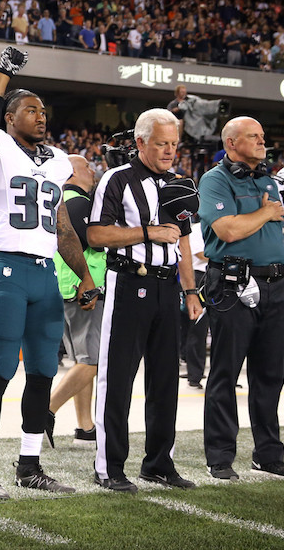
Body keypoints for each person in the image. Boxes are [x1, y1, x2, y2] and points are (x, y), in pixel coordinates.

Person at [0, 47, 97, 501]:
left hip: (45, 272)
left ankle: (29, 465)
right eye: (30, 109)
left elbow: (62, 226)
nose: (41, 116)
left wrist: (82, 275)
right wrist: (3, 72)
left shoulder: (58, 161)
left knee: (43, 371)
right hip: (6, 267)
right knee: (1, 368)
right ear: (8, 117)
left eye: (43, 110)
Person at [88, 108, 202, 493]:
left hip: (168, 287)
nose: (170, 151)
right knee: (117, 378)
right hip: (129, 283)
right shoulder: (116, 179)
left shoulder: (179, 183)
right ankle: (109, 467)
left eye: (173, 143)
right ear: (140, 142)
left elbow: (183, 242)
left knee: (166, 381)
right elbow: (97, 236)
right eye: (161, 144)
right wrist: (147, 233)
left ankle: (158, 463)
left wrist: (190, 291)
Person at [198, 116, 284, 480]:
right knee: (225, 372)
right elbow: (228, 230)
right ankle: (219, 456)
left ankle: (268, 453)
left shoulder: (268, 179)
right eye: (254, 136)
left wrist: (263, 217)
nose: (262, 142)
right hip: (234, 285)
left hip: (277, 285)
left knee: (270, 375)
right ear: (231, 143)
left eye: (263, 136)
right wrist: (265, 213)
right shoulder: (214, 179)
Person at [48, 155, 105, 448]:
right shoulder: (79, 202)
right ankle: (45, 411)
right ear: (70, 173)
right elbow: (94, 239)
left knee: (83, 359)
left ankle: (85, 427)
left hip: (69, 286)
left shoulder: (61, 201)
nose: (92, 171)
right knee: (93, 360)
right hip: (87, 286)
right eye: (85, 167)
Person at [179, 217, 209, 390]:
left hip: (218, 277)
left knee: (225, 328)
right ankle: (194, 375)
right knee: (198, 329)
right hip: (199, 279)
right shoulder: (196, 229)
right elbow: (199, 254)